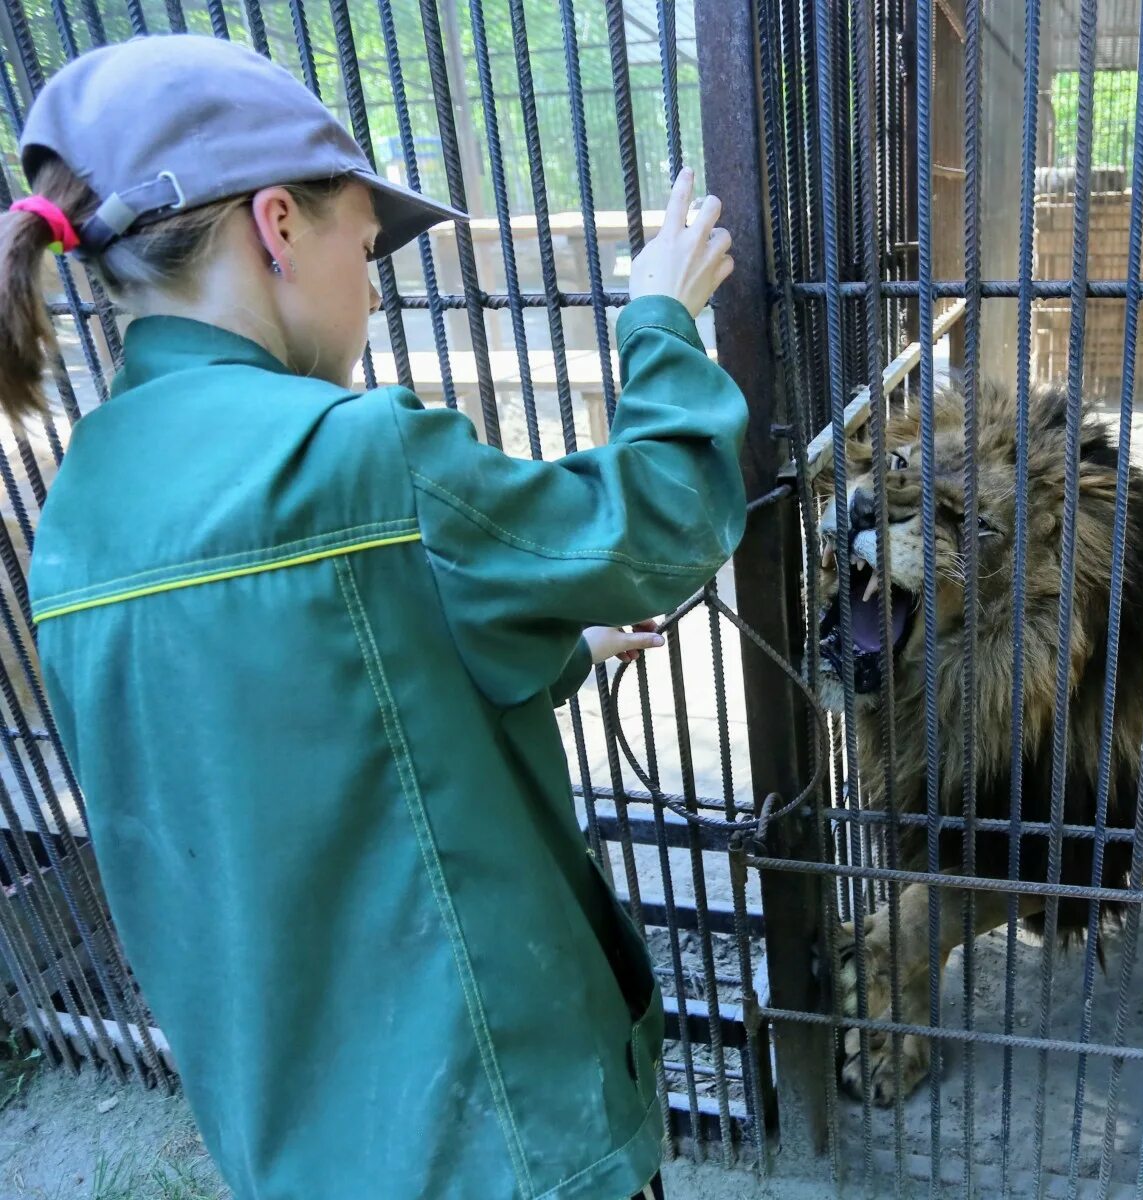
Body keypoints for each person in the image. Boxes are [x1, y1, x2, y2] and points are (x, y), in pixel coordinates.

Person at [1, 34, 743, 1200]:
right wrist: (659, 318)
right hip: (504, 1142)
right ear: (278, 224)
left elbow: (329, 703)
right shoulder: (358, 452)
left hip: (299, 1150)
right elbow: (661, 527)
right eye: (367, 241)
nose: (377, 280)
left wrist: (567, 647)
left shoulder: (76, 516)